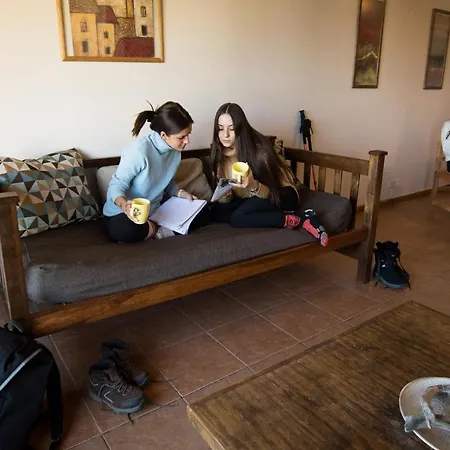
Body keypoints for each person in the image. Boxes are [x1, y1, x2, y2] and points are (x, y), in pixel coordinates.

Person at [210, 103, 328, 246]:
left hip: (281, 194)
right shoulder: (220, 155)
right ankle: (292, 217)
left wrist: (253, 185)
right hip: (252, 198)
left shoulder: (259, 150)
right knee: (217, 212)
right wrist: (225, 194)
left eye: (232, 129)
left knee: (237, 218)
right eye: (220, 129)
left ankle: (299, 218)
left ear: (241, 129)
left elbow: (271, 192)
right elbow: (233, 197)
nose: (225, 135)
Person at [103, 101, 199, 243]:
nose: (187, 141)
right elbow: (116, 185)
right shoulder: (139, 151)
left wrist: (182, 194)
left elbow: (167, 183)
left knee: (202, 212)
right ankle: (157, 230)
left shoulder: (175, 152)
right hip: (123, 214)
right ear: (163, 135)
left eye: (188, 134)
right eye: (182, 137)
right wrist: (125, 206)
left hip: (155, 211)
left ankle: (154, 231)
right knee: (125, 229)